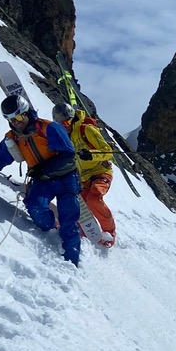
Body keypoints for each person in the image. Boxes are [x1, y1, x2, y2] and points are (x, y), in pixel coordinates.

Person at [0, 93, 82, 266]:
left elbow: (68, 154)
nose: (16, 122)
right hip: (43, 181)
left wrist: (43, 168)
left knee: (69, 221)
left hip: (67, 178)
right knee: (36, 209)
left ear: (27, 113)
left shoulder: (49, 128)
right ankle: (52, 229)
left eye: (19, 117)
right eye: (11, 120)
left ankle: (72, 261)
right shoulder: (12, 139)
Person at [53, 100, 116, 247]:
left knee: (94, 198)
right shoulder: (65, 139)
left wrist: (91, 154)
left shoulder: (86, 129)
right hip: (82, 176)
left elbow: (108, 152)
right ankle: (79, 227)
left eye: (67, 123)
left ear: (72, 119)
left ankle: (109, 232)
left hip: (101, 171)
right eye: (61, 126)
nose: (65, 127)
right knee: (78, 202)